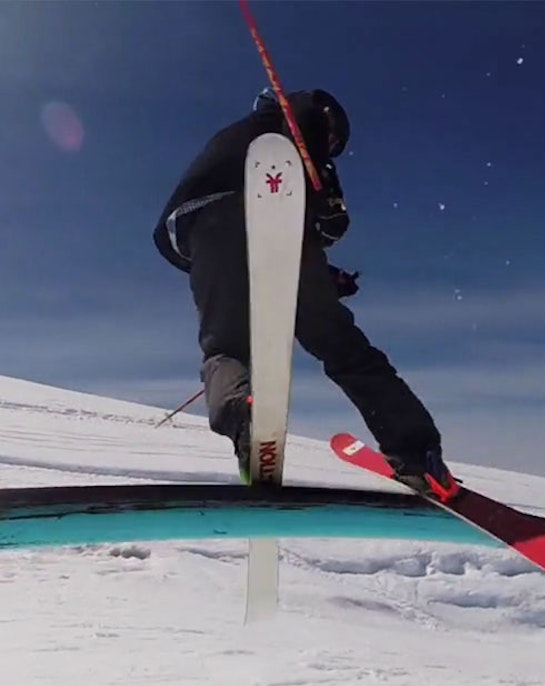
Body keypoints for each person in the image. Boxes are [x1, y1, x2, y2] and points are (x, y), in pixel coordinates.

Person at [153, 87, 455, 496]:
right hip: (276, 232)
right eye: (332, 140)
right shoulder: (293, 126)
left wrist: (328, 278)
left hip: (209, 233)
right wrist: (328, 203)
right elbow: (287, 224)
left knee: (226, 349)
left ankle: (245, 418)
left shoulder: (228, 146)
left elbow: (256, 250)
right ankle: (419, 457)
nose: (330, 148)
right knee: (344, 350)